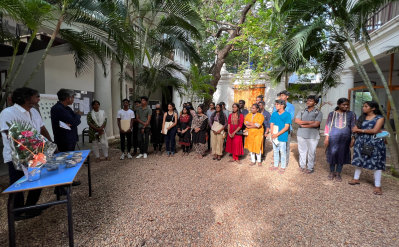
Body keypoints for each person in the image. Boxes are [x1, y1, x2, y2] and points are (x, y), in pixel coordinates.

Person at [0, 87, 53, 220]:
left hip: (36, 155)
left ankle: (30, 207)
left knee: (38, 181)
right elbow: (10, 134)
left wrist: (52, 144)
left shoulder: (34, 111)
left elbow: (42, 129)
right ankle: (16, 213)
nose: (39, 99)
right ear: (27, 99)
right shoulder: (8, 112)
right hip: (16, 156)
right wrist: (34, 144)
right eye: (37, 96)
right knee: (18, 185)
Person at [349, 101, 386, 195]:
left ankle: (378, 186)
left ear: (373, 108)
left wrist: (360, 130)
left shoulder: (380, 118)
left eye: (366, 106)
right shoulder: (362, 118)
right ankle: (356, 179)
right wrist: (363, 131)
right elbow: (354, 129)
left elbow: (375, 130)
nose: (363, 108)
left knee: (376, 162)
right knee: (359, 160)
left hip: (375, 143)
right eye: (363, 106)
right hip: (361, 141)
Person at [324, 98, 356, 181]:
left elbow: (353, 126)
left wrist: (353, 139)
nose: (346, 106)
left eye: (347, 105)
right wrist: (326, 138)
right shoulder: (332, 114)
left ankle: (338, 173)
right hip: (333, 137)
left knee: (342, 154)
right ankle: (331, 172)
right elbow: (328, 125)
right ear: (338, 105)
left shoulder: (351, 114)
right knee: (332, 153)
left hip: (345, 138)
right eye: (344, 104)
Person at [294, 95, 323, 174]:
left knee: (311, 152)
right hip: (301, 134)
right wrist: (309, 122)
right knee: (302, 151)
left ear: (315, 103)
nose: (308, 102)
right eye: (308, 100)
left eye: (310, 101)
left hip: (313, 135)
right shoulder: (302, 111)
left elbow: (316, 124)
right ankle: (302, 166)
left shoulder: (318, 112)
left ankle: (310, 167)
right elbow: (296, 121)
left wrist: (303, 125)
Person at [269, 100, 292, 174]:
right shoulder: (274, 114)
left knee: (282, 152)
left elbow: (286, 127)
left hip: (282, 136)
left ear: (282, 105)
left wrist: (277, 134)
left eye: (277, 104)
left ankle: (282, 167)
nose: (276, 105)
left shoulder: (287, 114)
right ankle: (275, 165)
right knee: (275, 151)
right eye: (275, 104)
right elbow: (271, 124)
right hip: (274, 136)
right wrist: (272, 133)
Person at [273, 90, 295, 165]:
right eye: (281, 95)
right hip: (276, 128)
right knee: (277, 144)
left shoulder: (291, 106)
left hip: (286, 129)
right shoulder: (276, 105)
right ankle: (278, 160)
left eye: (283, 95)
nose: (281, 97)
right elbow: (274, 115)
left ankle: (285, 162)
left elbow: (291, 117)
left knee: (286, 146)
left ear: (287, 97)